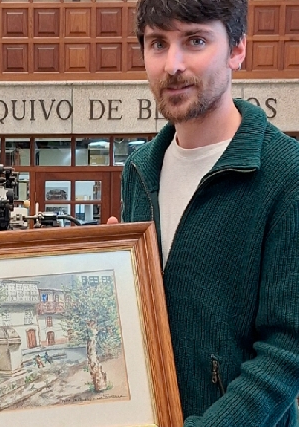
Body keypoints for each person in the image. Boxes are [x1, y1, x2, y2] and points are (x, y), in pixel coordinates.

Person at [112, 0, 299, 425]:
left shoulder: (287, 174)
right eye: (157, 43)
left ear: (237, 49)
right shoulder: (139, 170)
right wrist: (113, 277)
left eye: (194, 40)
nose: (172, 64)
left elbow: (288, 349)